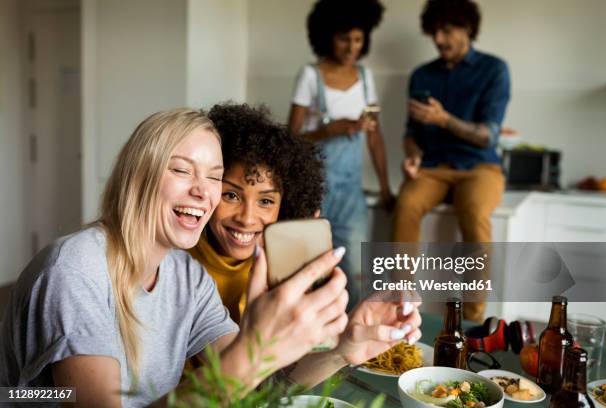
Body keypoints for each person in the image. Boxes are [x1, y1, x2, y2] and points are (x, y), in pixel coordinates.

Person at [0, 108, 422, 407]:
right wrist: (255, 350)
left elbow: (257, 391)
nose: (205, 192)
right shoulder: (75, 271)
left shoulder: (188, 277)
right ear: (138, 174)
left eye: (215, 177)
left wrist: (344, 349)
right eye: (182, 170)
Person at [392, 0, 511, 321]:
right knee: (406, 204)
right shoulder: (421, 75)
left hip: (479, 167)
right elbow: (409, 133)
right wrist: (413, 156)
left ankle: (472, 321)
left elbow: (489, 135)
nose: (440, 39)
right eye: (435, 32)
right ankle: (399, 306)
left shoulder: (494, 70)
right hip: (432, 168)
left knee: (473, 212)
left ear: (468, 28)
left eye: (447, 30)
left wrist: (444, 119)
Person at [288, 0, 392, 309]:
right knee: (311, 270)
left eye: (358, 40)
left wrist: (386, 187)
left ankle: (351, 341)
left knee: (357, 272)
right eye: (344, 39)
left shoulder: (365, 77)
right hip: (314, 192)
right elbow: (291, 138)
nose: (351, 47)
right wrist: (329, 129)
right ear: (327, 36)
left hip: (351, 195)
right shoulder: (309, 76)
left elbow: (374, 136)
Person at [189, 103, 325, 323]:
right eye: (231, 196)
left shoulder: (283, 269)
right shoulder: (176, 261)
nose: (247, 218)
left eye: (265, 201)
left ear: (286, 206)